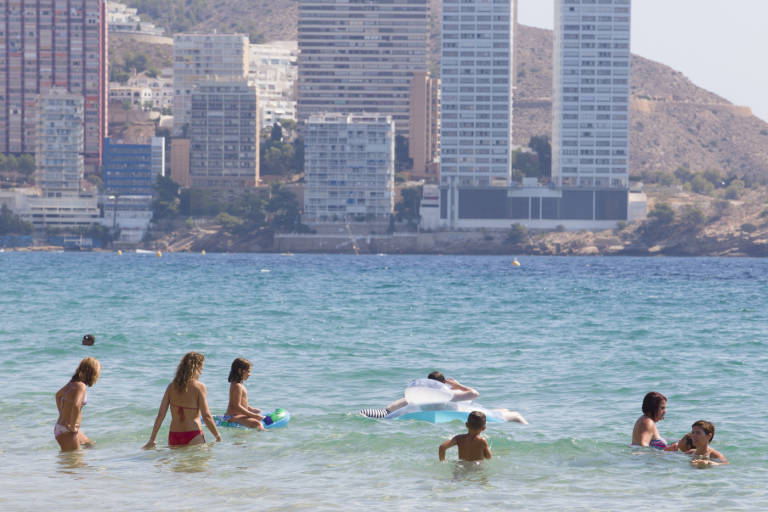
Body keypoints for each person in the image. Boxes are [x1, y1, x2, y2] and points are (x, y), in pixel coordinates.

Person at [361, 370, 527, 424]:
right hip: (459, 409)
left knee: (496, 412)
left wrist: (380, 415)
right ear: (444, 384)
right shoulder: (450, 395)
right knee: (512, 414)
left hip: (462, 409)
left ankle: (513, 416)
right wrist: (459, 385)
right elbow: (475, 393)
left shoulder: (417, 397)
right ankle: (523, 423)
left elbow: (388, 410)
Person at [142, 352, 221, 448]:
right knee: (198, 463)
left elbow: (160, 415)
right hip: (193, 434)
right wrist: (217, 436)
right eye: (201, 369)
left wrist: (152, 439)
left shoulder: (171, 387)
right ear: (196, 367)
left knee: (179, 463)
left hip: (174, 436)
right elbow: (206, 416)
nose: (202, 372)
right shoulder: (199, 387)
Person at [55, 357, 101, 451]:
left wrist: (62, 414)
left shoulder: (72, 383)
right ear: (92, 372)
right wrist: (72, 426)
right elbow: (76, 405)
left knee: (89, 444)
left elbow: (58, 395)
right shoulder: (81, 386)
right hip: (68, 430)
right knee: (75, 461)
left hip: (61, 427)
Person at [221, 358, 265, 430]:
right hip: (232, 417)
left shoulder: (238, 384)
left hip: (236, 415)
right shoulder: (237, 386)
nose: (249, 374)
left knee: (258, 411)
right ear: (240, 371)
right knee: (257, 423)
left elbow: (238, 402)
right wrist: (253, 415)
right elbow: (237, 406)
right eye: (248, 371)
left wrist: (250, 409)